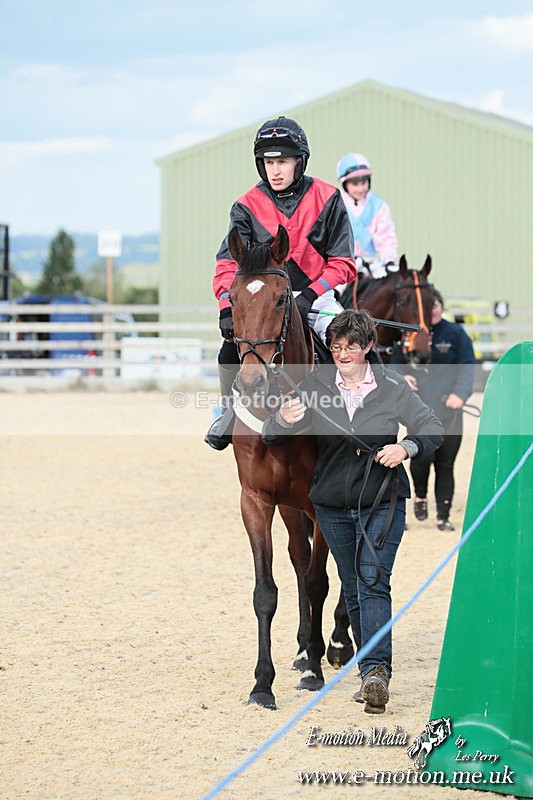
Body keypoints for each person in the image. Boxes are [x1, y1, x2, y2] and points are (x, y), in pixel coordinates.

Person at [262, 309, 443, 713]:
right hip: (331, 503)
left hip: (382, 497)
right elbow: (272, 434)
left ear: (368, 347)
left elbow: (431, 427)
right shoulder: (315, 386)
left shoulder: (392, 387)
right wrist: (281, 417)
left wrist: (405, 448)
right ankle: (369, 670)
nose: (343, 354)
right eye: (337, 346)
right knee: (354, 584)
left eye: (351, 347)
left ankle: (377, 670)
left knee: (372, 578)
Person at [205, 116, 357, 451]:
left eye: (283, 162)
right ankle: (228, 411)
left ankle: (363, 419)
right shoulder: (245, 206)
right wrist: (226, 307)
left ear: (299, 162)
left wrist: (309, 297)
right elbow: (228, 262)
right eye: (269, 162)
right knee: (231, 345)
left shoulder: (329, 198)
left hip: (316, 298)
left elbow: (344, 263)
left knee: (351, 344)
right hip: (262, 300)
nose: (276, 170)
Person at [391, 289, 476, 531]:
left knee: (445, 464)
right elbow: (394, 364)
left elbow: (468, 366)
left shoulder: (456, 334)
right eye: (429, 305)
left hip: (449, 411)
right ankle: (420, 496)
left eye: (436, 304)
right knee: (420, 459)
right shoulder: (410, 334)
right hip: (419, 412)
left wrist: (460, 394)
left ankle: (443, 516)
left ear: (441, 306)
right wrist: (402, 377)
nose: (433, 309)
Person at [336, 152, 399, 281]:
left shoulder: (379, 205)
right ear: (344, 183)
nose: (360, 189)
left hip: (371, 264)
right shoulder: (336, 203)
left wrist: (389, 260)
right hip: (341, 263)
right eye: (355, 184)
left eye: (364, 182)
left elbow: (386, 238)